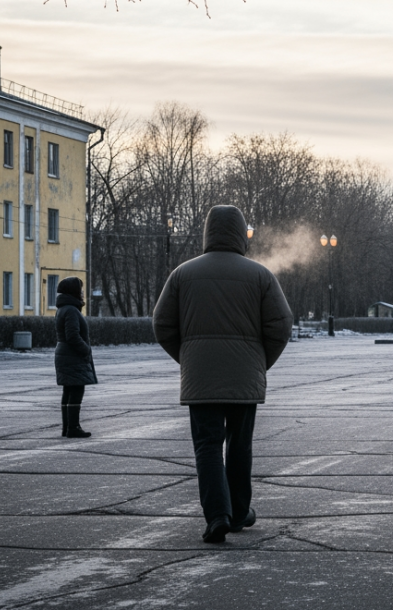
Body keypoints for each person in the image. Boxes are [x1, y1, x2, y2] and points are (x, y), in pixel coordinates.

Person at [153, 205, 293, 544]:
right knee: (240, 445)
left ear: (207, 233)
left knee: (207, 447)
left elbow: (161, 323)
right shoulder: (260, 275)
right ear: (241, 234)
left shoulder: (183, 274)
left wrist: (188, 359)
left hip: (200, 378)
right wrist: (259, 362)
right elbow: (281, 324)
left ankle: (217, 515)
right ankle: (240, 511)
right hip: (245, 377)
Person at [54, 276, 96, 439]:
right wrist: (85, 350)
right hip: (72, 356)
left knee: (69, 390)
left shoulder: (63, 308)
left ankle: (68, 427)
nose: (83, 293)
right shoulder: (71, 310)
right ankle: (73, 427)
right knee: (76, 390)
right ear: (74, 292)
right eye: (81, 290)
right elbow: (72, 335)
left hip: (65, 354)